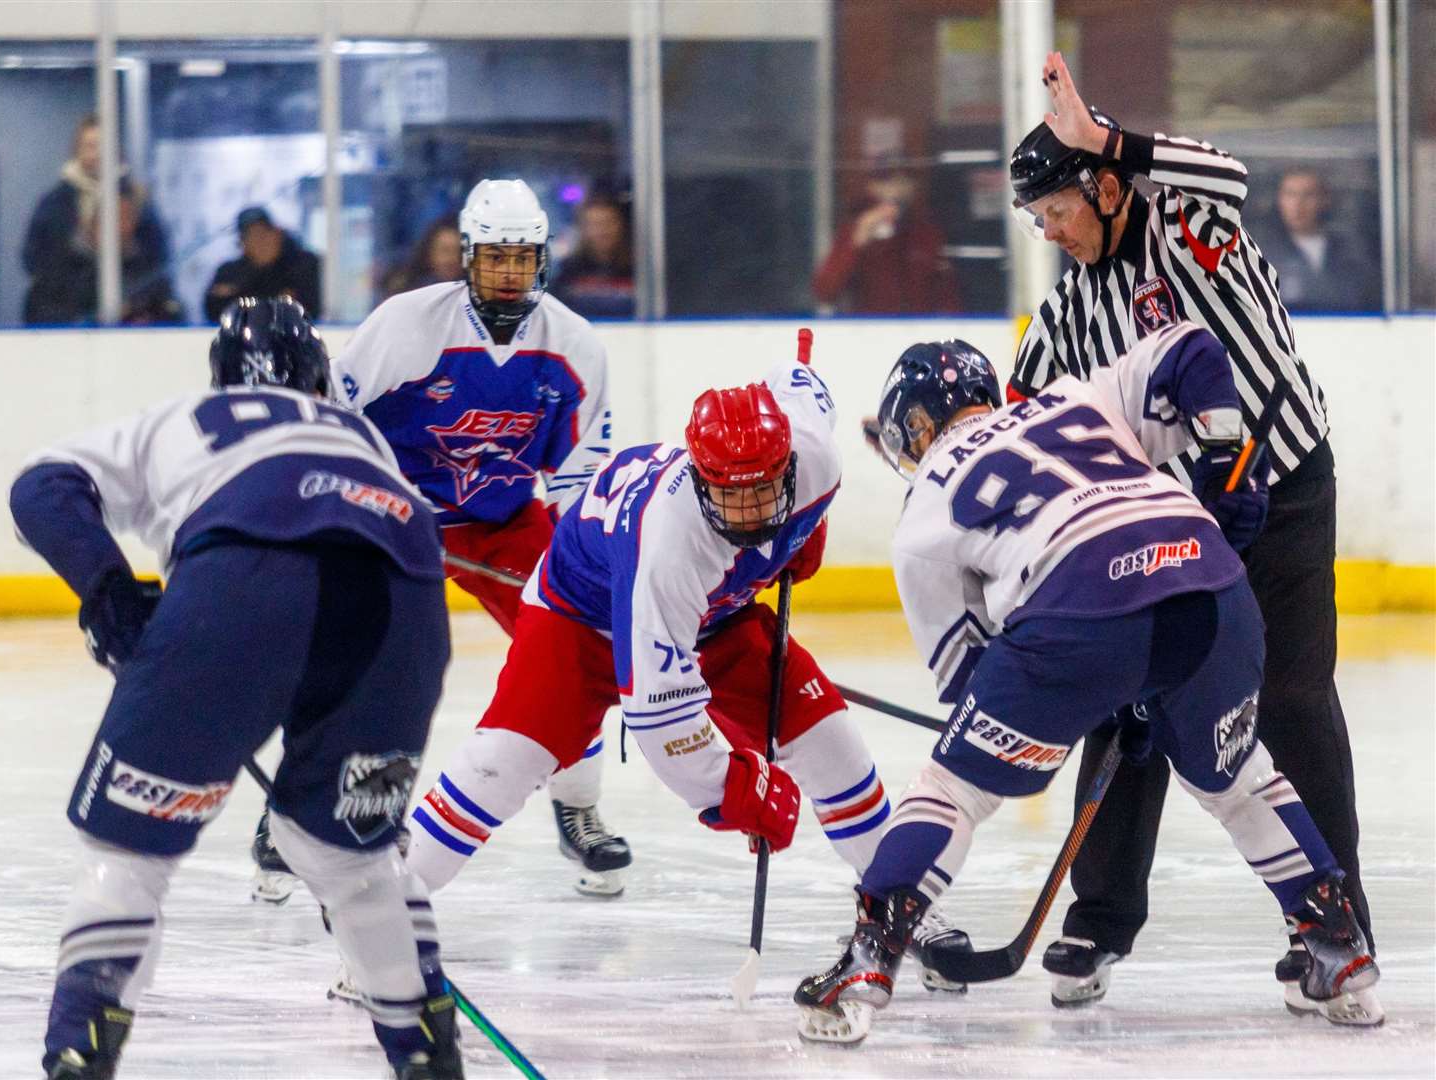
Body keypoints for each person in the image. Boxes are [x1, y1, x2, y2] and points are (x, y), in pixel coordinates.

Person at [795, 327, 1381, 1046]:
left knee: (953, 790)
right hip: (1211, 583)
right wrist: (1225, 449)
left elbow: (973, 677)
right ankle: (1339, 944)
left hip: (1076, 607)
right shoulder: (1076, 396)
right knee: (1241, 779)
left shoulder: (923, 506)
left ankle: (867, 958)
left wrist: (1089, 694)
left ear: (913, 427)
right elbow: (1193, 348)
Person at [998, 50, 1372, 1010]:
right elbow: (1023, 412)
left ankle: (1337, 926)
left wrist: (1108, 137)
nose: (1051, 233)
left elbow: (1227, 171)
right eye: (1037, 223)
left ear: (1108, 186)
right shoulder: (1072, 305)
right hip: (1178, 523)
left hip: (1284, 490)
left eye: (1059, 211)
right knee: (1130, 701)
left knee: (1291, 701)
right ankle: (1099, 918)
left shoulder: (1181, 220)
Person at [10, 298, 464, 1080]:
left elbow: (39, 488)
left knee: (129, 848)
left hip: (243, 576)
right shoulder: (362, 437)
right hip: (408, 600)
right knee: (348, 857)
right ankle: (426, 1049)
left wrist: (108, 590)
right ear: (321, 379)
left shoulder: (186, 417)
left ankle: (79, 1054)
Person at [249, 178, 631, 913]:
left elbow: (582, 480)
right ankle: (294, 816)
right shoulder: (407, 325)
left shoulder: (576, 346)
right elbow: (332, 419)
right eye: (496, 258)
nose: (511, 274)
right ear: (467, 257)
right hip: (395, 514)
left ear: (544, 260)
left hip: (505, 521)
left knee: (577, 649)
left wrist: (592, 580)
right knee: (360, 666)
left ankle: (576, 808)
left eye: (524, 259)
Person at [402, 351, 893, 922]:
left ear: (789, 460)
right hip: (578, 620)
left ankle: (899, 902)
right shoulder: (672, 544)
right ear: (700, 477)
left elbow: (799, 380)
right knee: (502, 764)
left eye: (763, 490)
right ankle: (384, 915)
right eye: (729, 494)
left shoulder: (815, 454)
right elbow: (660, 717)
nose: (747, 512)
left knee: (831, 742)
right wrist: (732, 791)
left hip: (715, 616)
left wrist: (800, 530)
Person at [21, 114, 175, 326]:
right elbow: (33, 256)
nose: (96, 154)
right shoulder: (54, 202)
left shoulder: (137, 200)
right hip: (66, 311)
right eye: (89, 145)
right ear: (77, 149)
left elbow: (158, 255)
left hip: (129, 313)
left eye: (102, 146)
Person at [811, 159, 959, 314]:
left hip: (920, 330)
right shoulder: (854, 230)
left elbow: (947, 294)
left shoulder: (927, 233)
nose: (895, 189)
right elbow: (825, 292)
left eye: (903, 181)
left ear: (913, 187)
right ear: (872, 187)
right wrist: (857, 241)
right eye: (886, 181)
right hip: (870, 331)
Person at [1258, 168, 1380, 312]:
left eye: (1308, 195)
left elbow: (1366, 296)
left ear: (1325, 200)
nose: (1298, 204)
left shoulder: (1352, 250)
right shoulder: (1262, 253)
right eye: (1290, 195)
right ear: (1280, 201)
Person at [204, 206, 322, 322]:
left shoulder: (304, 264)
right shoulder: (228, 272)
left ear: (277, 234)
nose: (260, 242)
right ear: (242, 244)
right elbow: (215, 311)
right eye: (251, 237)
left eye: (263, 233)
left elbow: (306, 308)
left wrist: (240, 295)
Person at [549, 194, 635, 319]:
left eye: (609, 222)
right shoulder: (569, 270)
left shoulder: (638, 269)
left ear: (621, 225)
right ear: (582, 228)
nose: (602, 230)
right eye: (595, 224)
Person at [381, 215, 465, 299]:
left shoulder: (471, 295)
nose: (451, 259)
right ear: (429, 251)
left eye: (458, 251)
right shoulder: (406, 289)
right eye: (445, 251)